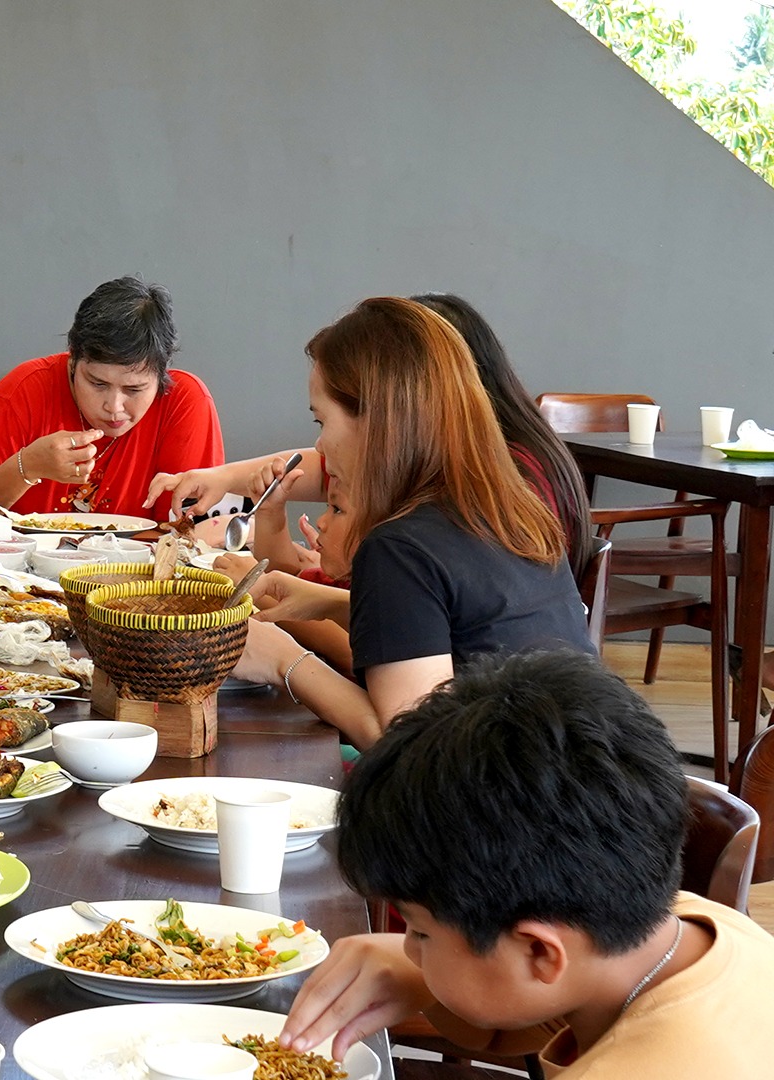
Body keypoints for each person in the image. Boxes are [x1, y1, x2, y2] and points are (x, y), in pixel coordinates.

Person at [281, 650, 774, 1078]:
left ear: (540, 951)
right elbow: (507, 1023)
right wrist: (421, 976)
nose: (408, 949)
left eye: (420, 932)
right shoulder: (684, 927)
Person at [228, 297, 592, 748]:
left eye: (322, 421)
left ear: (379, 422)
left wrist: (284, 660)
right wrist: (329, 603)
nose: (320, 445)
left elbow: (408, 746)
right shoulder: (509, 505)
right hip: (589, 777)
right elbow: (466, 636)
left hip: (515, 805)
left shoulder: (400, 547)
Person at [149, 292, 591, 580]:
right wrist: (226, 479)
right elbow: (327, 466)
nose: (322, 447)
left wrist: (291, 647)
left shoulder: (473, 501)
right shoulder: (480, 461)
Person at [0, 275, 225, 518]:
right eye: (97, 383)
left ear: (163, 372)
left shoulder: (185, 402)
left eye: (134, 390)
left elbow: (192, 528)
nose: (114, 407)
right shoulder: (25, 389)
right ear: (73, 357)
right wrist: (26, 468)